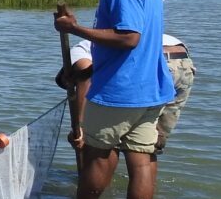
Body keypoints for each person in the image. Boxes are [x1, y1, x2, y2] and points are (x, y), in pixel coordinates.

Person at [53, 0, 175, 199]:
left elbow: (129, 37)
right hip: (150, 90)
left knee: (97, 156)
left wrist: (75, 28)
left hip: (120, 91)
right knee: (142, 160)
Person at [60, 33, 195, 153]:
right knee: (152, 140)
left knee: (106, 140)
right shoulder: (97, 43)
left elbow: (86, 80)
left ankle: (94, 172)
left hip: (152, 60)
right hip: (183, 63)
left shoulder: (78, 51)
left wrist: (80, 128)